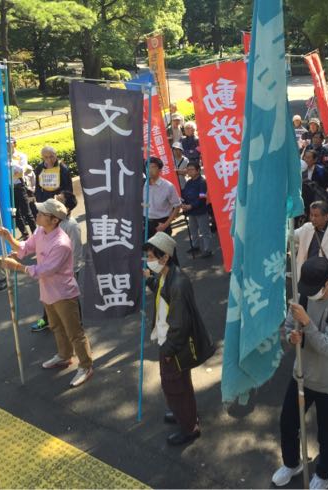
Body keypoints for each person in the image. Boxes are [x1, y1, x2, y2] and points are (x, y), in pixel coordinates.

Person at [272, 257, 328, 489]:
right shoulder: (303, 296)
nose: (309, 294)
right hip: (302, 374)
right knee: (288, 422)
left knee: (326, 432)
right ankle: (291, 463)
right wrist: (292, 337)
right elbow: (289, 327)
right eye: (305, 289)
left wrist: (307, 324)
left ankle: (325, 474)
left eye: (314, 289)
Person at [0, 199, 94, 388]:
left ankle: (86, 366)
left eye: (42, 213)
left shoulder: (61, 243)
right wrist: (9, 237)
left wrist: (17, 267)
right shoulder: (40, 231)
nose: (37, 215)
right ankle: (64, 355)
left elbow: (45, 270)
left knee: (75, 332)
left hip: (63, 293)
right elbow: (25, 247)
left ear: (54, 220)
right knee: (56, 326)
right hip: (48, 291)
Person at [143, 232, 215, 446]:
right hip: (170, 342)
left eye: (151, 257)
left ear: (165, 257)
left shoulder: (178, 284)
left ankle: (189, 427)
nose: (148, 261)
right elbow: (161, 290)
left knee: (175, 387)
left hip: (174, 346)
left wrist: (168, 351)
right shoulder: (168, 275)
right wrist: (149, 280)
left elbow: (179, 326)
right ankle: (184, 413)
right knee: (181, 384)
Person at [30, 191, 84, 332]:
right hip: (49, 268)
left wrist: (72, 270)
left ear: (66, 209)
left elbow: (76, 250)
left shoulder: (71, 226)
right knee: (48, 296)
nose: (55, 199)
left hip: (67, 270)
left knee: (70, 297)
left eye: (59, 200)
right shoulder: (46, 224)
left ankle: (76, 323)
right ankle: (47, 319)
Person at [143, 157, 182, 237]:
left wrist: (165, 225)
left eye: (153, 167)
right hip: (146, 223)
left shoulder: (168, 186)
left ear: (160, 170)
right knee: (146, 245)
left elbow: (177, 206)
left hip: (162, 223)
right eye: (148, 167)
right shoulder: (142, 184)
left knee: (162, 245)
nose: (149, 170)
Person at [181, 162, 213, 258]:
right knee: (193, 230)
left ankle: (208, 249)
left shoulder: (202, 182)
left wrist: (191, 206)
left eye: (192, 169)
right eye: (188, 169)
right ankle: (195, 246)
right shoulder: (188, 182)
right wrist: (184, 203)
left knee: (204, 231)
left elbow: (202, 198)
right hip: (191, 211)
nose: (189, 171)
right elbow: (185, 195)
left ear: (198, 170)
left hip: (201, 211)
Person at [10, 137, 36, 239]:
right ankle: (25, 234)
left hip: (20, 186)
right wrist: (13, 172)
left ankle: (35, 234)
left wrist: (11, 165)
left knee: (27, 212)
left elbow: (21, 171)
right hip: (9, 188)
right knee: (15, 212)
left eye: (9, 143)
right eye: (5, 144)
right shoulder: (2, 158)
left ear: (14, 144)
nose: (7, 146)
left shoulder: (21, 156)